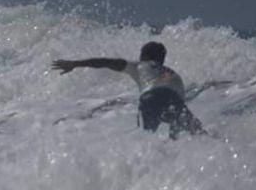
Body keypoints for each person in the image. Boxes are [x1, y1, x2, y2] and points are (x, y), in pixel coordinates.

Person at [52, 41, 203, 138]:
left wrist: (75, 64)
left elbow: (106, 62)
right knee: (191, 131)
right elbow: (178, 105)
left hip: (151, 97)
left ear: (143, 56)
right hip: (174, 99)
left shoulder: (139, 65)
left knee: (147, 139)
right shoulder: (172, 73)